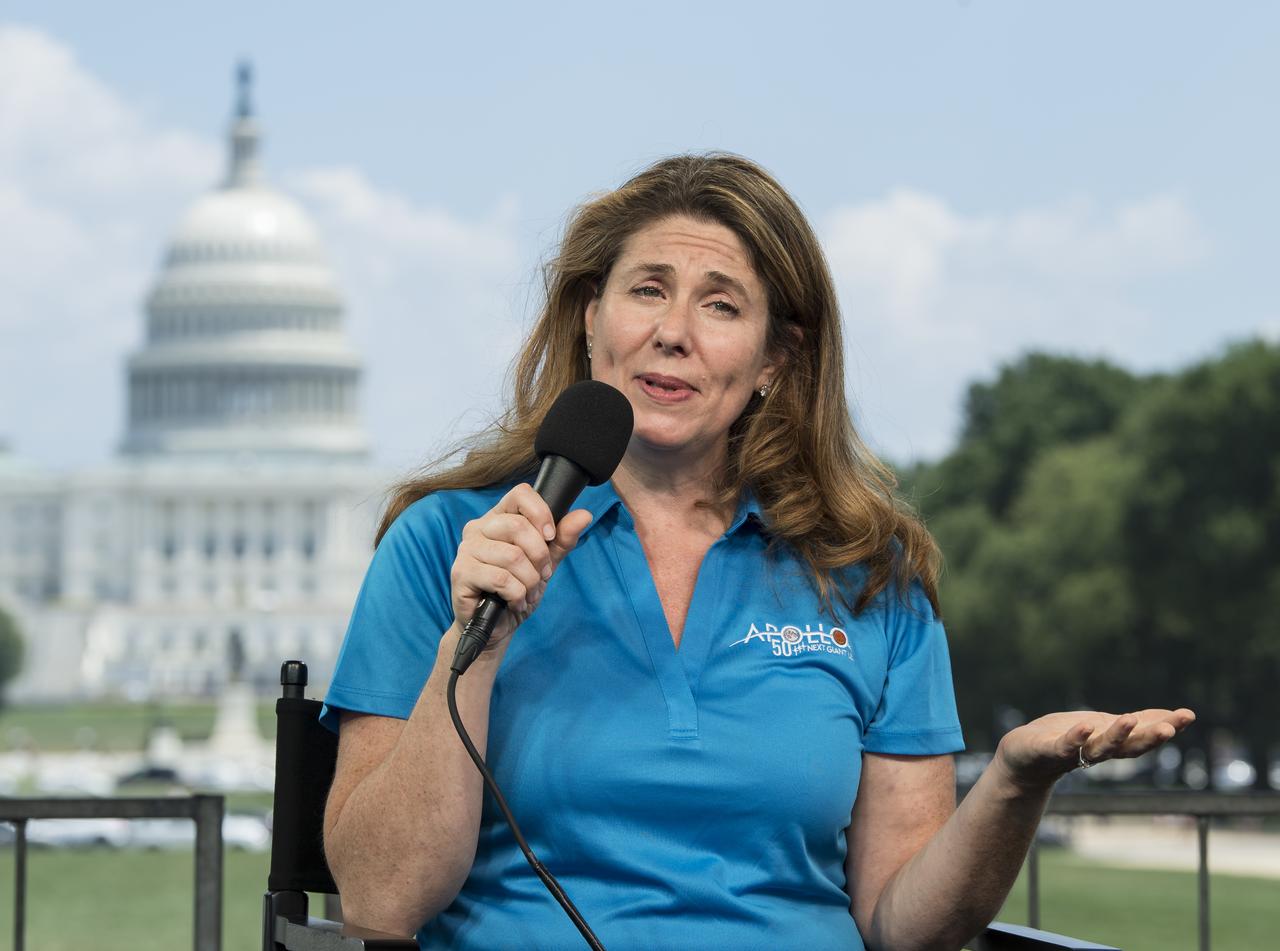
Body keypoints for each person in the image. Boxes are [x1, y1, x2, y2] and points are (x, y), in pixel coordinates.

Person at [319, 154, 1194, 950]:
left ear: (777, 356)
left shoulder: (869, 577)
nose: (675, 331)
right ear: (592, 319)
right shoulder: (445, 544)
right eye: (647, 290)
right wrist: (472, 645)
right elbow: (380, 901)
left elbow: (902, 924)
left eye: (722, 304)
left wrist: (1012, 780)